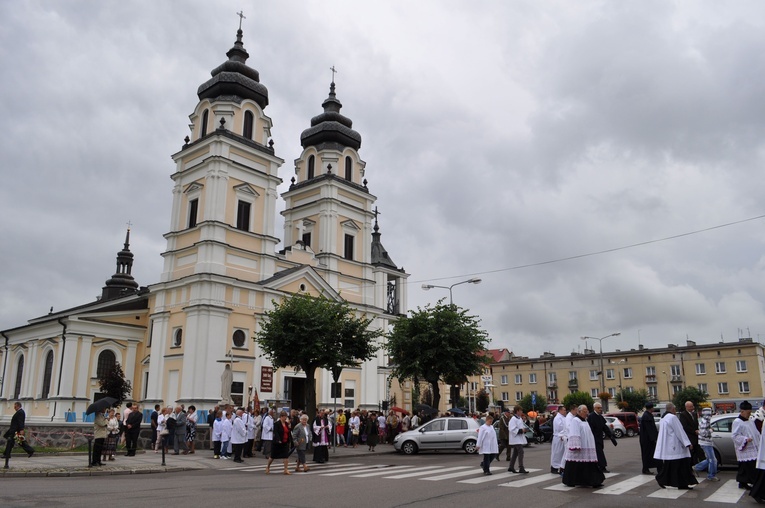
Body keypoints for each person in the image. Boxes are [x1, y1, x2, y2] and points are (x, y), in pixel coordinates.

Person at [654, 402, 698, 490]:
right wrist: (687, 443)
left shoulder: (664, 418)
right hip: (676, 447)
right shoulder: (673, 418)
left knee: (673, 466)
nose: (675, 411)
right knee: (679, 466)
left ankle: (682, 484)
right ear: (673, 409)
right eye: (675, 409)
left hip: (670, 447)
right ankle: (663, 479)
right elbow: (679, 431)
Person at [562, 405, 605, 488]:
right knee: (574, 464)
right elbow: (574, 432)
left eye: (587, 411)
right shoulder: (576, 420)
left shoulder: (585, 421)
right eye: (584, 411)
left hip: (587, 446)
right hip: (580, 447)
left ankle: (592, 481)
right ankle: (570, 481)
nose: (586, 413)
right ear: (579, 412)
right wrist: (576, 445)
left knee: (589, 464)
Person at [733, 400, 759, 489]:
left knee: (747, 467)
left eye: (750, 412)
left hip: (753, 447)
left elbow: (755, 433)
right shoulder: (737, 421)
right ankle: (749, 482)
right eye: (748, 413)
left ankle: (743, 482)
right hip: (744, 448)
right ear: (742, 411)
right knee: (747, 466)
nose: (749, 414)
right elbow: (735, 435)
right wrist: (745, 439)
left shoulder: (750, 421)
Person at [587, 402, 617, 473]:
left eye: (600, 408)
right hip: (594, 438)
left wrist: (611, 437)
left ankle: (599, 466)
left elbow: (605, 427)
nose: (600, 409)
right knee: (599, 453)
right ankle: (602, 466)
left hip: (600, 438)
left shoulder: (600, 417)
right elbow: (589, 429)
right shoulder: (591, 416)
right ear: (594, 408)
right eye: (598, 408)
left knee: (599, 452)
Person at [694, 407, 719, 481]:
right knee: (713, 460)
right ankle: (711, 475)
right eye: (710, 412)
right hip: (706, 442)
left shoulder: (703, 420)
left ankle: (697, 467)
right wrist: (711, 430)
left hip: (704, 442)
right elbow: (703, 433)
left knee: (709, 459)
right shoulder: (706, 421)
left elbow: (700, 431)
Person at [507, 405, 529, 474]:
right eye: (520, 410)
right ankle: (521, 467)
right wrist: (520, 430)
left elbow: (521, 427)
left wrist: (524, 429)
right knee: (521, 452)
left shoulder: (519, 418)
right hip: (515, 438)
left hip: (519, 438)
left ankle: (511, 466)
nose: (522, 412)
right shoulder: (513, 419)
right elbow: (511, 429)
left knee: (515, 453)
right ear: (517, 411)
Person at [639, 402, 659, 474]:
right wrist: (654, 438)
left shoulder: (647, 415)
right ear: (651, 408)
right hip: (647, 440)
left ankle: (646, 468)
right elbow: (650, 429)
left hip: (647, 439)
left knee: (647, 454)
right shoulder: (647, 416)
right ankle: (645, 469)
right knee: (647, 454)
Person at [550, 405, 567, 474]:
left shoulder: (563, 417)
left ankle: (560, 467)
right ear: (560, 410)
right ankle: (554, 467)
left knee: (561, 453)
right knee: (557, 453)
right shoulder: (557, 418)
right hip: (558, 437)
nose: (565, 411)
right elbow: (559, 427)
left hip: (562, 437)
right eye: (564, 410)